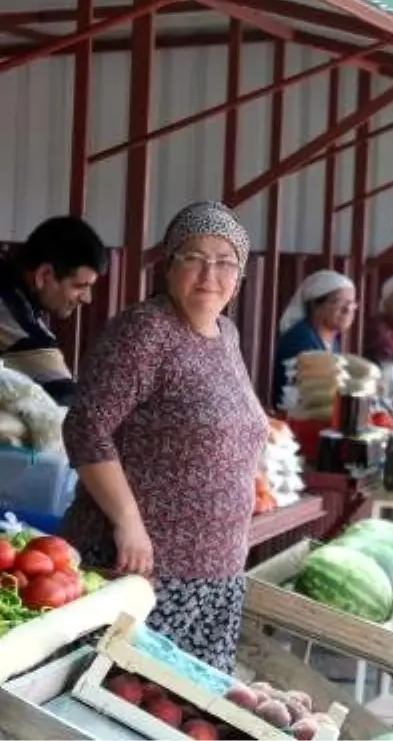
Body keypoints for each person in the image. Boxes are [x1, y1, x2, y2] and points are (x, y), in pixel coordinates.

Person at [60, 201, 269, 674]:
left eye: (225, 261)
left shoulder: (227, 334)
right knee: (129, 707)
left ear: (240, 276)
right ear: (169, 264)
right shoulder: (145, 331)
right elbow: (86, 426)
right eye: (194, 256)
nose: (210, 273)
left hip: (214, 577)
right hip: (144, 573)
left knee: (189, 714)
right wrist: (128, 521)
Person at [0, 216, 107, 406]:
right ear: (44, 275)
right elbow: (70, 407)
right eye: (79, 286)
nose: (87, 298)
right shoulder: (12, 315)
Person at [271, 269, 357, 409]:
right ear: (315, 305)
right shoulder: (300, 339)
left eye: (352, 303)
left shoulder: (332, 340)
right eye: (338, 302)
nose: (348, 310)